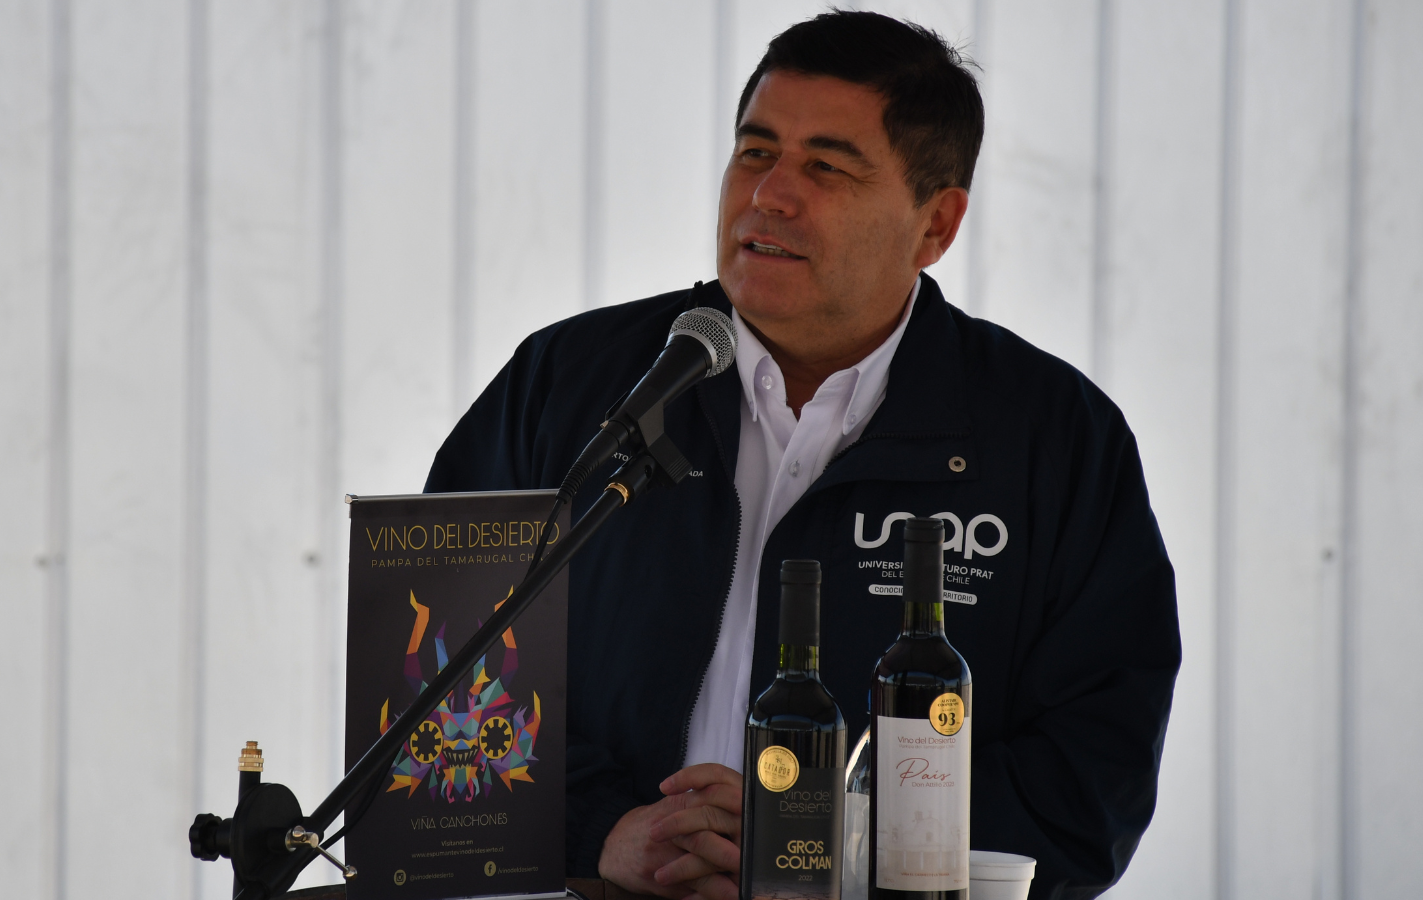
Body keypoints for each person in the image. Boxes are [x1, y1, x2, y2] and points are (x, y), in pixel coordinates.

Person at [426, 11, 1179, 900]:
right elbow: (436, 675)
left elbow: (1090, 781)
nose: (769, 194)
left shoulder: (1054, 439)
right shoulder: (570, 382)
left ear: (935, 225)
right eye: (755, 152)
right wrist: (603, 833)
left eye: (826, 166)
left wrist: (827, 838)